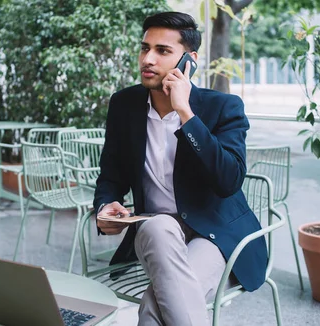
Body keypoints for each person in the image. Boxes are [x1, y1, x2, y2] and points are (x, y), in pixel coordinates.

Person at [93, 12, 268, 325]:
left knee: (153, 309)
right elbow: (111, 174)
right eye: (144, 48)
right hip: (154, 229)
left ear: (190, 60)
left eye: (162, 51)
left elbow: (228, 181)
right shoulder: (124, 105)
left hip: (213, 233)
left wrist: (186, 114)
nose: (148, 59)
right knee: (158, 226)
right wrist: (105, 205)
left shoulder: (222, 107)